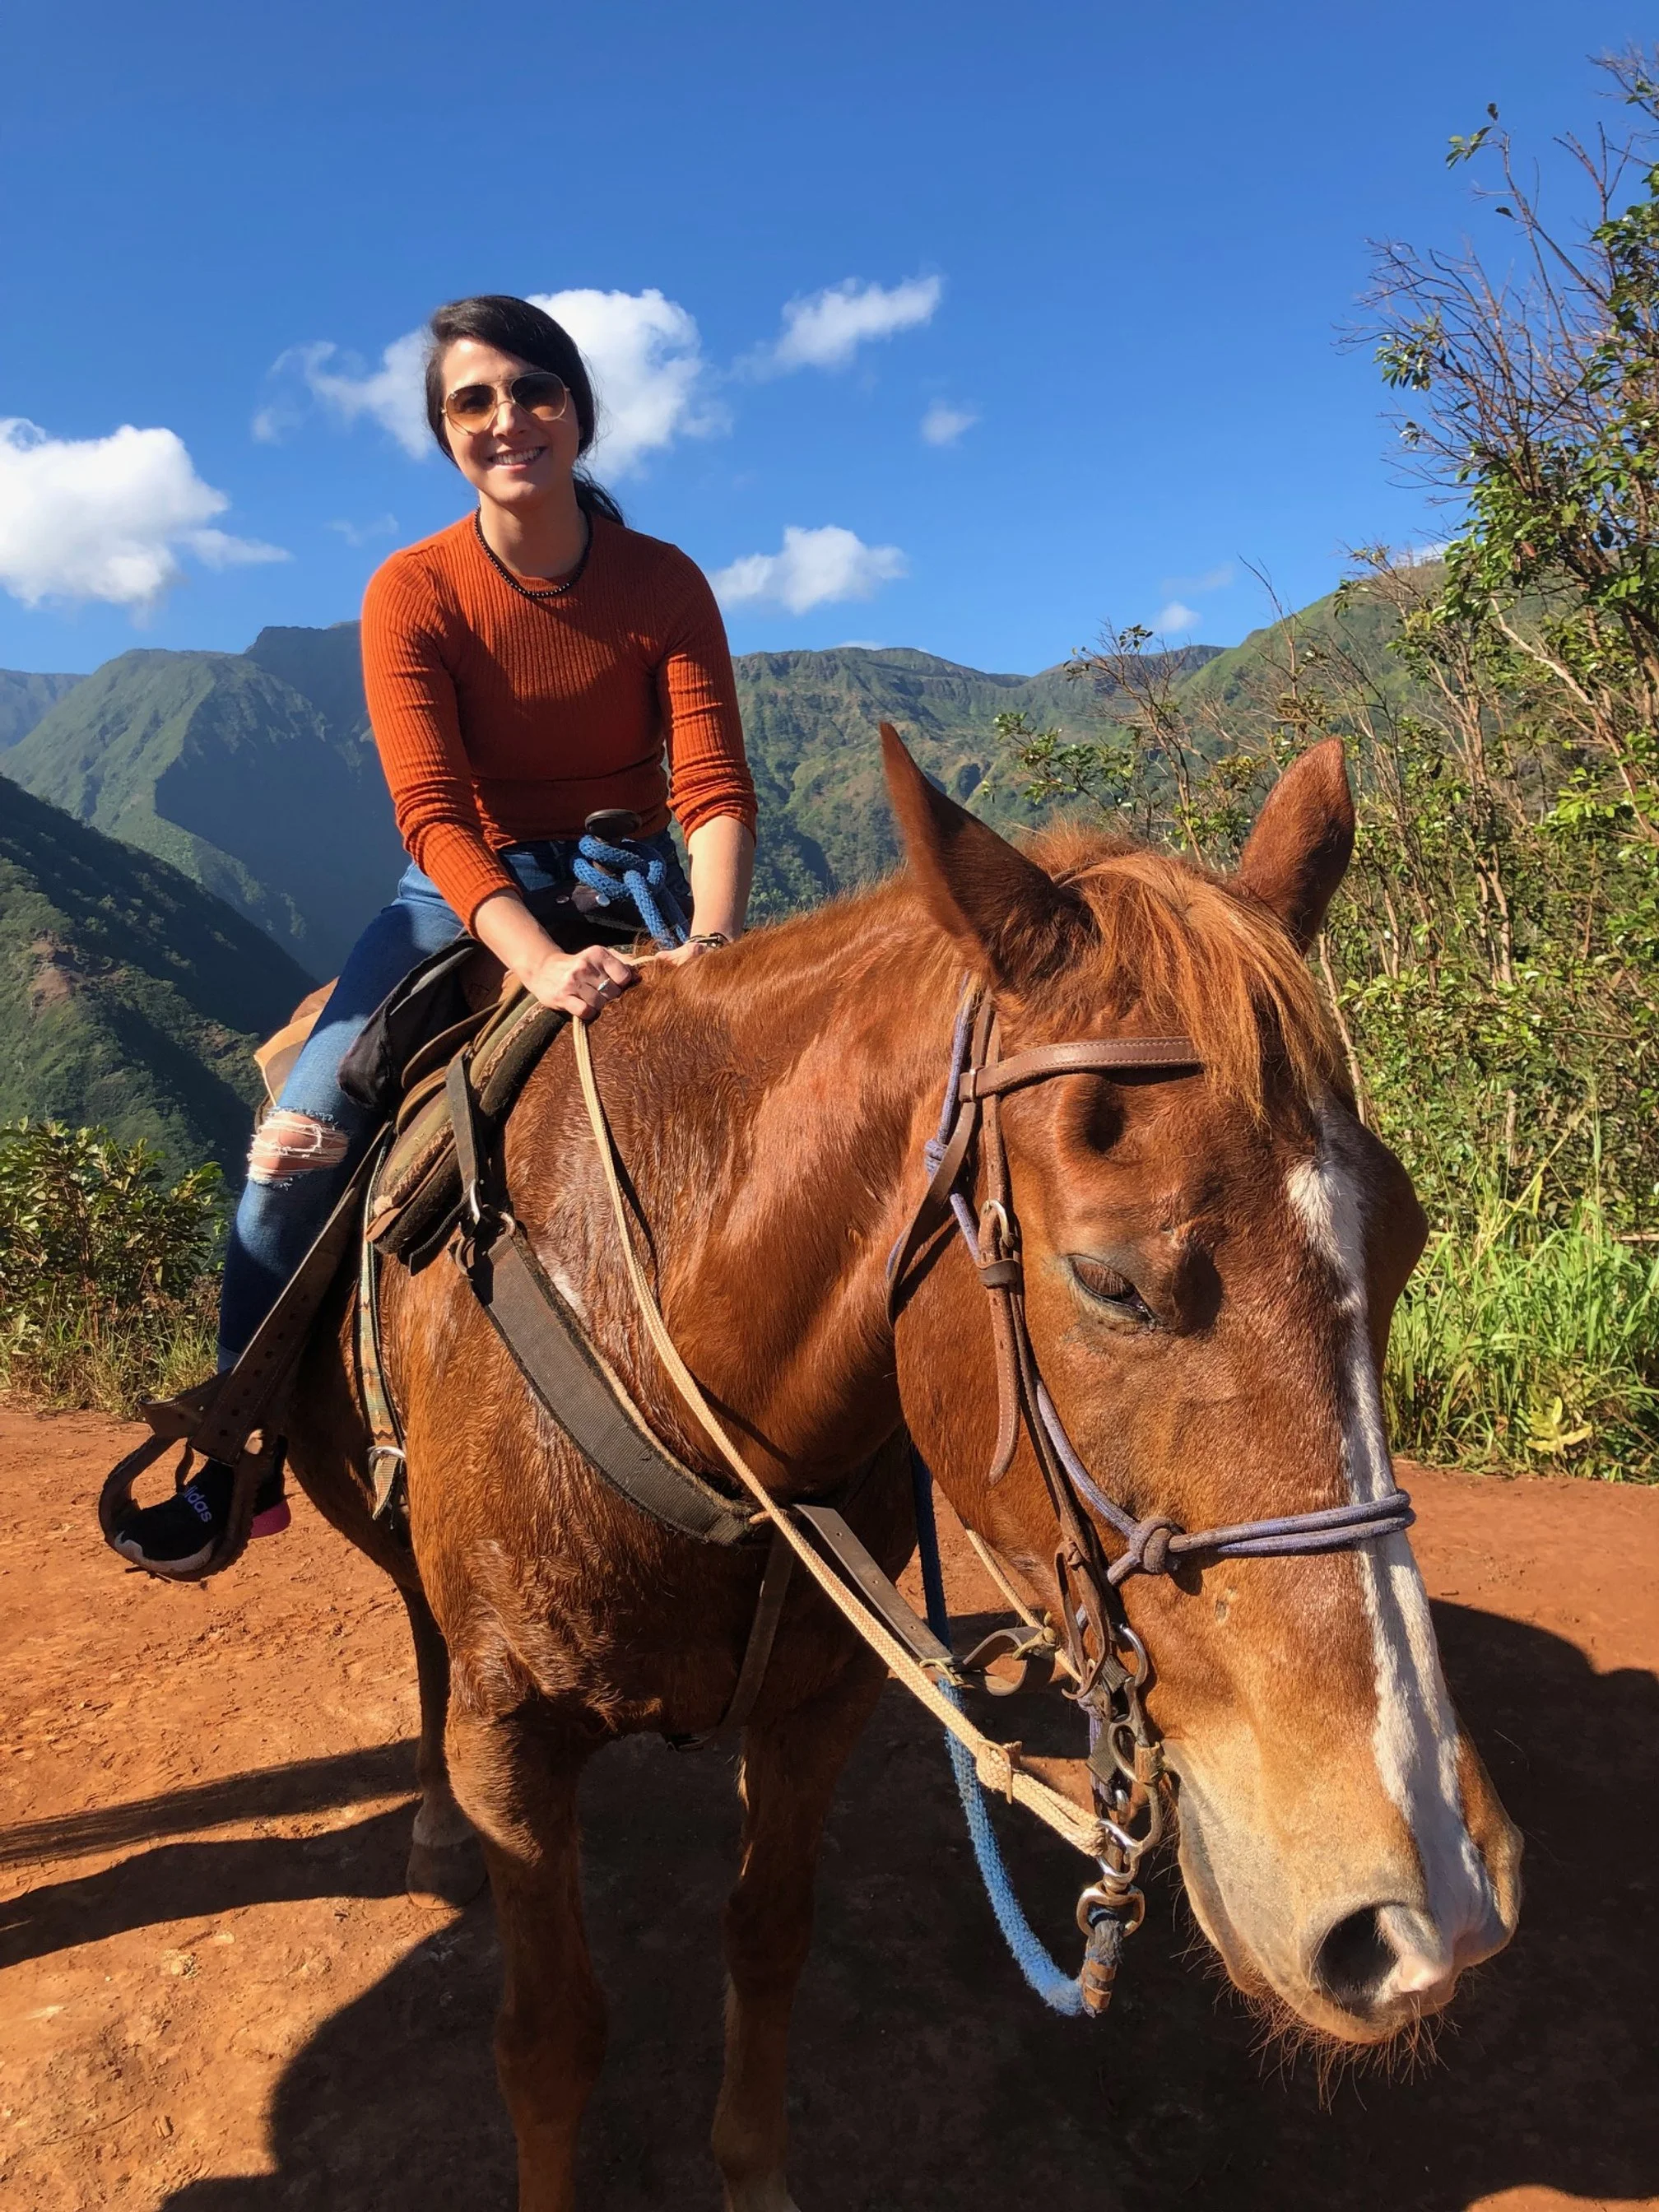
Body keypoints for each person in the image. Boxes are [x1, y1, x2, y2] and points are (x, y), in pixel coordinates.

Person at [114, 294, 756, 1576]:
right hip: (462, 892)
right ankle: (236, 1451)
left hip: (645, 880)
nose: (507, 420)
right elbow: (435, 812)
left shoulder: (664, 584)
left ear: (577, 410)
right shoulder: (413, 591)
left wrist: (719, 944)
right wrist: (537, 961)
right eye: (474, 402)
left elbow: (715, 792)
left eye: (534, 391)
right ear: (444, 433)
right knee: (295, 1143)